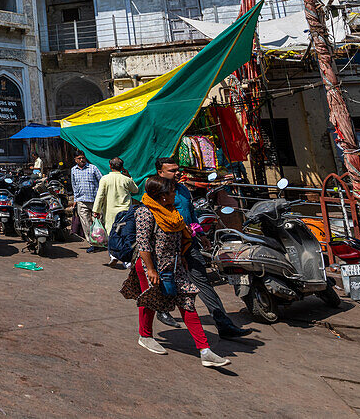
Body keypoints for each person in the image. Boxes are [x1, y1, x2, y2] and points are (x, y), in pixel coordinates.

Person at [132, 175, 230, 367]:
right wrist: (151, 269)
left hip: (174, 265)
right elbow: (143, 244)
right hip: (151, 266)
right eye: (170, 192)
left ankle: (205, 350)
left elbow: (179, 237)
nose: (174, 194)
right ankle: (145, 335)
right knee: (150, 300)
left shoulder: (172, 212)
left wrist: (182, 257)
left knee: (187, 302)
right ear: (161, 196)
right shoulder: (146, 213)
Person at [155, 156, 253, 339]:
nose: (177, 173)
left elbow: (191, 213)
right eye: (172, 171)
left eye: (177, 170)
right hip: (168, 245)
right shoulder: (158, 192)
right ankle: (161, 309)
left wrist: (200, 235)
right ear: (160, 172)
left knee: (202, 281)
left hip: (190, 243)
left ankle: (224, 324)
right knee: (167, 279)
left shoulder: (183, 189)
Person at [93, 157, 139, 266]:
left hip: (110, 212)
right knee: (125, 234)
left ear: (110, 166)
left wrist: (96, 210)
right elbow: (135, 190)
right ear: (122, 167)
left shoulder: (105, 179)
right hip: (125, 212)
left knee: (111, 234)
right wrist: (129, 176)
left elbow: (100, 196)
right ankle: (126, 259)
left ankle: (113, 255)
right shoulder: (126, 179)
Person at [70, 152, 104, 251]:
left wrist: (101, 198)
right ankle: (92, 244)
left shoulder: (93, 168)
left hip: (95, 201)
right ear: (75, 160)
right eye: (79, 158)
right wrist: (75, 199)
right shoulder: (73, 170)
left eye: (83, 158)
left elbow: (101, 182)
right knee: (86, 223)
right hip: (81, 201)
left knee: (98, 222)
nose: (81, 160)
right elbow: (74, 186)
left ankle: (100, 242)